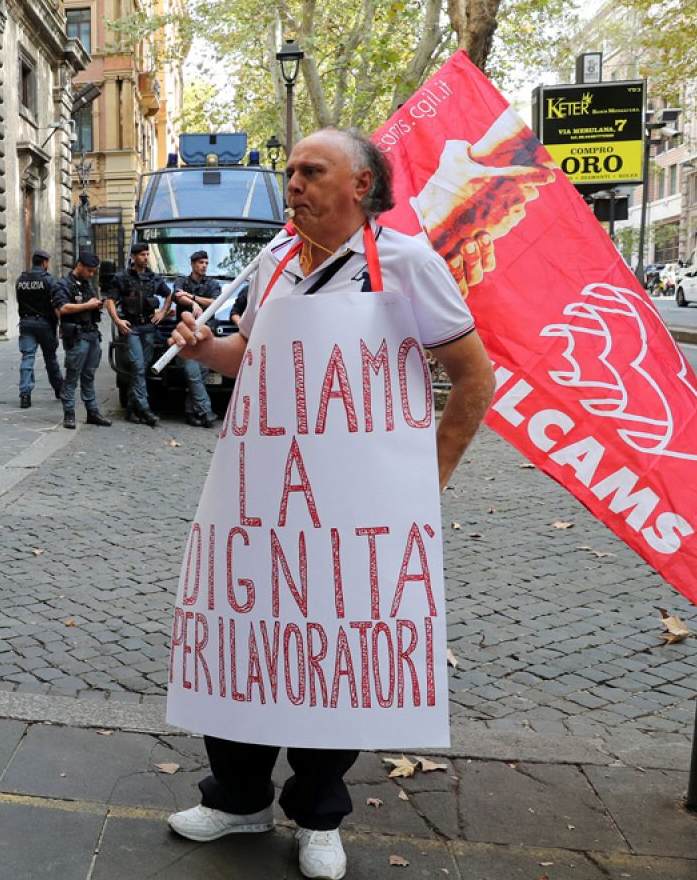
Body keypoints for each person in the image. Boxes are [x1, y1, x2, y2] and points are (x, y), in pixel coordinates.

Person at [164, 128, 495, 880]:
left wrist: (425, 483)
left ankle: (317, 815)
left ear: (361, 187)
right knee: (247, 641)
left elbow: (475, 378)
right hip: (262, 500)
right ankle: (238, 798)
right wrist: (202, 348)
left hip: (357, 512)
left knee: (334, 647)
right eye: (291, 172)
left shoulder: (406, 263)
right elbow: (246, 357)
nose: (295, 184)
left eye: (312, 171)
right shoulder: (274, 260)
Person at [105, 242, 172, 426]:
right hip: (131, 329)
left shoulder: (153, 278)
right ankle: (145, 408)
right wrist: (118, 321)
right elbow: (110, 300)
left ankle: (132, 410)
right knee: (138, 366)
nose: (146, 257)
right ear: (133, 257)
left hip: (148, 329)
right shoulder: (122, 277)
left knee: (141, 368)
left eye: (147, 254)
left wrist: (162, 312)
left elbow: (169, 295)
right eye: (142, 254)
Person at [51, 253, 112, 430]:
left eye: (94, 271)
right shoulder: (63, 284)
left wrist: (97, 305)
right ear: (79, 265)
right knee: (72, 376)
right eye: (89, 270)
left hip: (92, 334)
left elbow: (89, 305)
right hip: (77, 337)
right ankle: (69, 413)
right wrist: (88, 305)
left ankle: (92, 411)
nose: (92, 274)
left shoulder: (87, 284)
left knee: (89, 376)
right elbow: (62, 307)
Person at [171, 250, 222, 427]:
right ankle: (206, 412)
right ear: (193, 264)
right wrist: (193, 303)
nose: (204, 266)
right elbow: (178, 296)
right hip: (186, 336)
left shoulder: (213, 283)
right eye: (201, 262)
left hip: (205, 336)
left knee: (200, 375)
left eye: (206, 263)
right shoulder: (181, 281)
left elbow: (216, 302)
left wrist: (192, 297)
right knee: (193, 375)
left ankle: (191, 412)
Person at [14, 250, 64, 409]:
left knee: (27, 357)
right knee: (50, 358)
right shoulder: (49, 280)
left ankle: (25, 395)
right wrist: (62, 324)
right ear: (44, 263)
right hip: (45, 325)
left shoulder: (20, 279)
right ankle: (59, 389)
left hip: (26, 323)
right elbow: (57, 304)